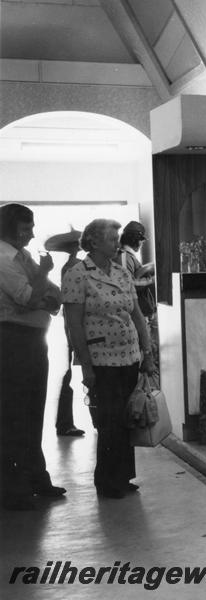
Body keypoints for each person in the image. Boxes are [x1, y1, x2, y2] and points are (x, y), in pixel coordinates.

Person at [62, 219, 155, 499]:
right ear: (93, 242)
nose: (118, 242)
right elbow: (74, 323)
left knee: (127, 418)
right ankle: (106, 480)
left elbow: (137, 314)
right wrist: (86, 365)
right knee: (109, 421)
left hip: (128, 355)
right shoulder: (78, 274)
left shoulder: (120, 272)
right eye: (112, 238)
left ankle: (124, 475)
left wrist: (147, 352)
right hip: (102, 358)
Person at [0, 203, 66, 510]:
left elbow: (55, 297)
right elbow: (27, 298)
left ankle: (35, 478)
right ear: (10, 228)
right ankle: (15, 489)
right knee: (15, 415)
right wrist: (42, 275)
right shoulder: (2, 258)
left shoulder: (23, 256)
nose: (32, 234)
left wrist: (42, 289)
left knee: (34, 411)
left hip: (32, 339)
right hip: (12, 341)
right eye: (26, 228)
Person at [44, 229, 86, 437]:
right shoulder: (76, 266)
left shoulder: (68, 266)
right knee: (70, 375)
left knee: (67, 376)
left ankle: (65, 422)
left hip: (68, 325)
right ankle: (65, 422)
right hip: (73, 326)